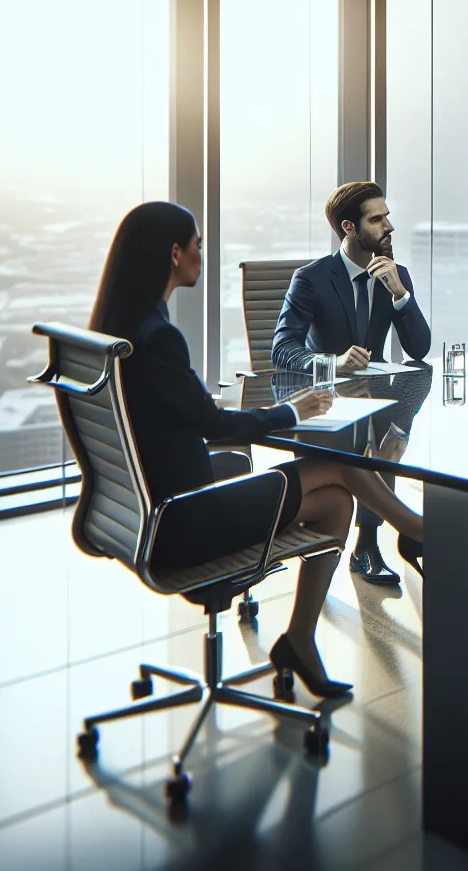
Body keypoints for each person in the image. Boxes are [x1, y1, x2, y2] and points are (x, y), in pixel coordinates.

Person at [94, 201, 428, 700]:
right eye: (198, 245)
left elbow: (186, 418)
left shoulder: (128, 327)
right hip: (185, 519)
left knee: (338, 501)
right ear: (173, 253)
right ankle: (419, 532)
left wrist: (398, 295)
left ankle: (298, 640)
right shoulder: (159, 338)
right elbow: (213, 425)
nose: (201, 254)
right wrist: (292, 412)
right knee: (335, 466)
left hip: (153, 508)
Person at [271, 181, 432, 586]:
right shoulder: (311, 278)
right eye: (377, 219)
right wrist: (332, 361)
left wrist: (400, 293)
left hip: (378, 395)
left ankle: (368, 543)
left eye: (387, 216)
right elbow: (283, 347)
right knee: (381, 444)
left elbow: (420, 349)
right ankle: (376, 540)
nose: (388, 226)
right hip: (327, 401)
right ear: (349, 227)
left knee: (393, 430)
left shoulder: (395, 274)